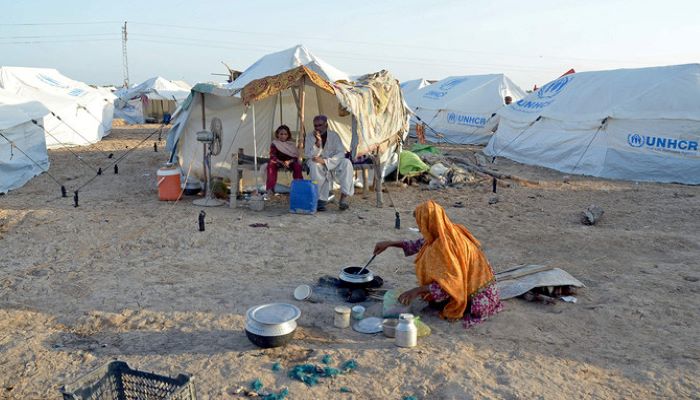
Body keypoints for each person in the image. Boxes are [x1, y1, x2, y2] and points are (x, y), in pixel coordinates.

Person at [373, 200, 502, 327]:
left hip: (478, 299)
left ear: (429, 223)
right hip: (475, 289)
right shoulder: (444, 231)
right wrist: (390, 243)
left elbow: (451, 284)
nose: (420, 228)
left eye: (421, 224)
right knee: (433, 299)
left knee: (439, 304)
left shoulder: (447, 245)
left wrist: (416, 291)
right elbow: (417, 244)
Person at [304, 115, 354, 211]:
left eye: (320, 125)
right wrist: (317, 144)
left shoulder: (334, 135)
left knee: (346, 163)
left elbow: (340, 153)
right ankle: (320, 199)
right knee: (315, 166)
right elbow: (308, 155)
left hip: (332, 161)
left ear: (326, 125)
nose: (318, 128)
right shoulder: (310, 136)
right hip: (317, 161)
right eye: (315, 126)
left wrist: (326, 161)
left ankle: (343, 198)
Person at [266, 125, 303, 193]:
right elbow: (272, 155)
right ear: (277, 134)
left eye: (285, 134)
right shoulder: (275, 143)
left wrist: (289, 161)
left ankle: (299, 187)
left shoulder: (291, 144)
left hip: (290, 162)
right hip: (278, 162)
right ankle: (270, 189)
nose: (283, 136)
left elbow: (295, 157)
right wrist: (280, 161)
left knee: (297, 166)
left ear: (288, 135)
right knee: (271, 165)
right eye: (281, 134)